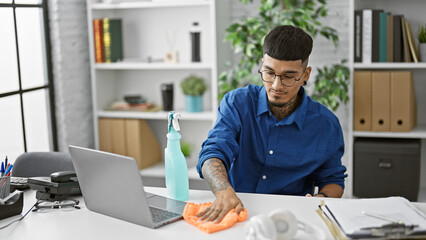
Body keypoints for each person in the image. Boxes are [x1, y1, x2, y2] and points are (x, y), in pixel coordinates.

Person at [195, 25, 347, 223]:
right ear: (262, 65)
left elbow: (333, 181)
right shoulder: (237, 103)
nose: (276, 85)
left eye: (288, 77)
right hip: (236, 211)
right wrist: (223, 191)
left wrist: (320, 199)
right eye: (269, 73)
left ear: (306, 75)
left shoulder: (326, 124)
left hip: (292, 220)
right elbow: (213, 152)